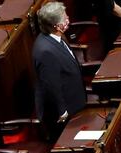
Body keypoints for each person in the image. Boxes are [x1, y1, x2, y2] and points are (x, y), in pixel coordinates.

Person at [33, 2, 87, 140]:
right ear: (56, 26)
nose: (68, 18)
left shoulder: (56, 36)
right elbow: (51, 85)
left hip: (74, 100)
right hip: (64, 114)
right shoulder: (45, 51)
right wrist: (62, 111)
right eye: (64, 18)